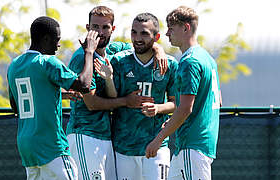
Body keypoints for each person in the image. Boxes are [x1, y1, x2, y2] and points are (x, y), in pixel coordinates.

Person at [65, 6, 169, 180]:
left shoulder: (114, 50)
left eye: (105, 27)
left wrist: (159, 49)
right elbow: (92, 103)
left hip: (106, 136)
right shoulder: (81, 58)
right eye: (95, 27)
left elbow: (143, 43)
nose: (100, 32)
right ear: (87, 28)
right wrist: (126, 101)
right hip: (84, 135)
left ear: (113, 29)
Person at [7, 16, 99, 180]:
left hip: (27, 146)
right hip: (50, 145)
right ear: (45, 39)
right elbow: (84, 84)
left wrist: (59, 94)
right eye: (57, 40)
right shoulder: (47, 62)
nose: (58, 45)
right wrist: (89, 52)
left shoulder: (15, 65)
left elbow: (17, 105)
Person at [145, 6, 222, 180]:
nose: (167, 34)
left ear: (186, 28)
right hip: (194, 146)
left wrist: (159, 139)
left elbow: (185, 108)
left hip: (192, 145)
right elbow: (218, 101)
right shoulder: (207, 58)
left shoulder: (190, 61)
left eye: (171, 28)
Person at [104, 13, 178, 180]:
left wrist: (158, 108)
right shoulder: (119, 61)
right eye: (134, 32)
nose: (137, 38)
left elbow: (176, 104)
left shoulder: (170, 64)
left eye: (144, 33)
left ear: (156, 37)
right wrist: (108, 79)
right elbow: (112, 98)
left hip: (156, 146)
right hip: (124, 147)